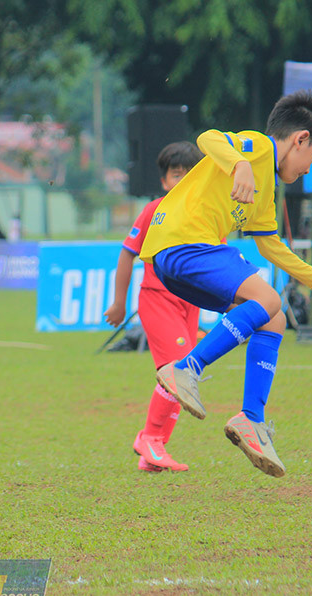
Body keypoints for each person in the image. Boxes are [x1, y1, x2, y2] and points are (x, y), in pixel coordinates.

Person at [140, 90, 312, 478]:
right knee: (268, 299)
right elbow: (208, 139)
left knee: (272, 318)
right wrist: (240, 164)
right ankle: (187, 369)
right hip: (185, 242)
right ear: (300, 140)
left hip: (176, 257)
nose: (309, 169)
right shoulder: (258, 148)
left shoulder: (266, 189)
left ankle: (251, 420)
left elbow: (271, 244)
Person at [103, 142, 203, 473]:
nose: (184, 180)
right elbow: (127, 253)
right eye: (177, 175)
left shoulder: (206, 214)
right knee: (177, 371)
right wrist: (119, 303)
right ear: (164, 181)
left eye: (191, 174)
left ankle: (152, 454)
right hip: (158, 300)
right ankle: (150, 439)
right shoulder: (154, 211)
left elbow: (218, 266)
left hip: (190, 305)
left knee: (185, 374)